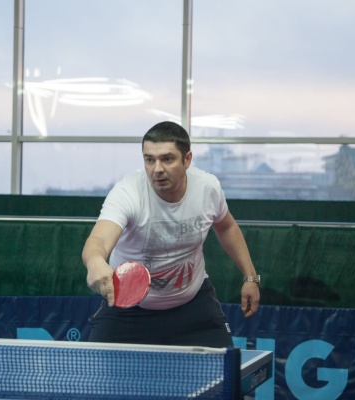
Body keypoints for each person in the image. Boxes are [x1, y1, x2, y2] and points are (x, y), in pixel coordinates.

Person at [82, 121, 260, 347]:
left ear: (187, 159)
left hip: (193, 306)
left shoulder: (207, 188)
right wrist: (95, 262)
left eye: (167, 159)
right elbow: (98, 239)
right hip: (128, 309)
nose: (157, 169)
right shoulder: (128, 192)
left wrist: (250, 277)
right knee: (97, 368)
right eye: (149, 159)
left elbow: (226, 227)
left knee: (224, 369)